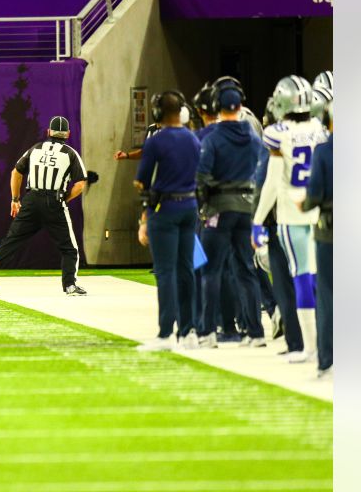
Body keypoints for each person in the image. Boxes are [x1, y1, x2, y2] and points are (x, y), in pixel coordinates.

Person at [0, 116, 95, 296]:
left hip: (31, 200)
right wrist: (64, 199)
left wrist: (15, 199)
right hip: (54, 201)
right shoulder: (70, 153)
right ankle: (70, 285)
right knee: (69, 248)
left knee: (10, 242)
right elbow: (81, 183)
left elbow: (16, 172)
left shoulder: (35, 149)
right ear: (67, 134)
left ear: (48, 132)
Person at [254, 76, 329, 363]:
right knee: (319, 278)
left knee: (301, 278)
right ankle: (325, 343)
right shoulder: (320, 130)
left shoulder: (277, 133)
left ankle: (310, 347)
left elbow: (272, 184)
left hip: (290, 214)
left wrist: (258, 220)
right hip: (318, 213)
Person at [196, 81, 266, 348]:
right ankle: (255, 332)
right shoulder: (252, 137)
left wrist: (206, 200)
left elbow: (201, 175)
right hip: (246, 208)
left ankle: (207, 332)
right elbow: (263, 167)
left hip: (219, 209)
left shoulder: (213, 138)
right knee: (247, 270)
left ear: (217, 107)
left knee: (211, 271)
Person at [134, 90, 201, 351]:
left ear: (158, 113)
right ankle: (189, 330)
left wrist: (143, 218)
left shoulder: (156, 141)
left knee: (165, 271)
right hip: (190, 206)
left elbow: (142, 182)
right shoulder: (194, 139)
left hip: (164, 209)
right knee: (186, 269)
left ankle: (165, 333)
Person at [302, 98, 333, 378]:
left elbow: (315, 194)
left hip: (329, 231)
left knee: (327, 294)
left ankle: (327, 360)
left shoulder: (324, 151)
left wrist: (305, 204)